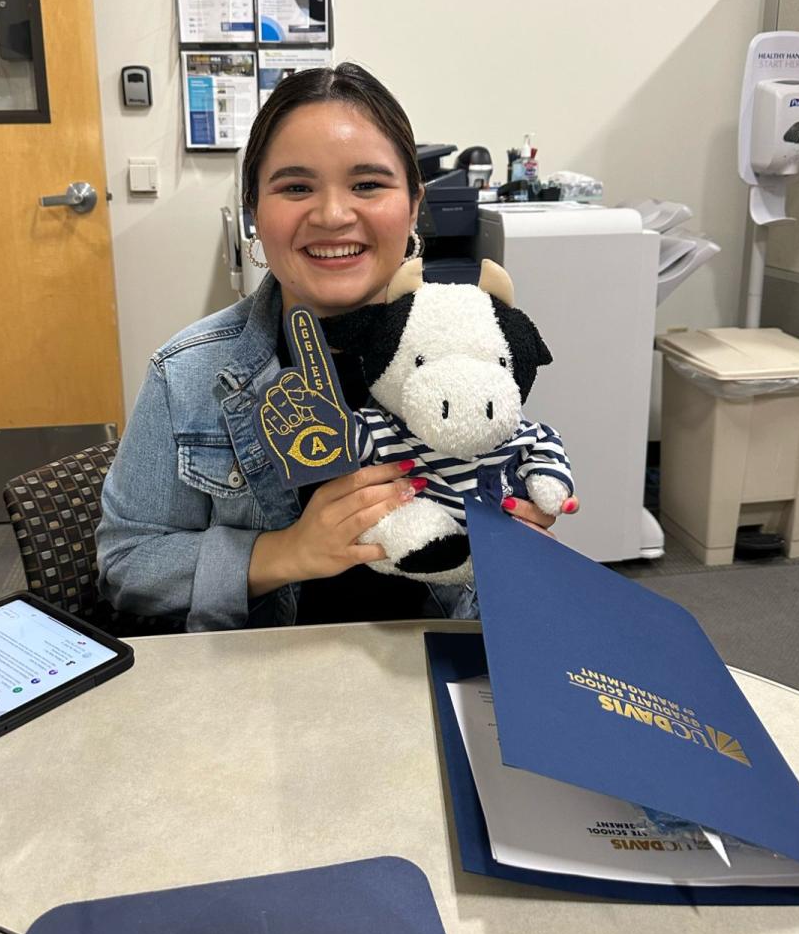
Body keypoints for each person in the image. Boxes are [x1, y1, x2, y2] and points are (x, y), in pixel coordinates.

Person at [96, 64, 557, 631]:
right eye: (295, 187)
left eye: (368, 184)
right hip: (256, 688)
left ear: (413, 204)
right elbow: (125, 567)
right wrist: (287, 552)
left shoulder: (474, 344)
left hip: (435, 669)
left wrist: (509, 547)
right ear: (253, 212)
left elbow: (501, 580)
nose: (334, 215)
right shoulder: (189, 373)